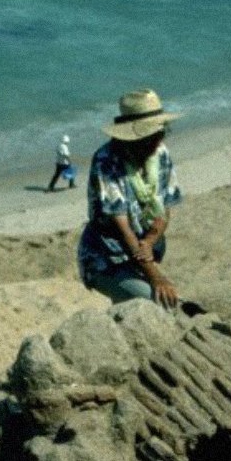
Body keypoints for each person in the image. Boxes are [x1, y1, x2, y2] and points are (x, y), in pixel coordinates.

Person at [76, 89, 182, 308]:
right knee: (153, 301)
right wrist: (156, 275)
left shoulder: (160, 153)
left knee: (153, 299)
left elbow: (165, 209)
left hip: (144, 253)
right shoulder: (107, 161)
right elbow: (123, 232)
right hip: (107, 257)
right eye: (150, 138)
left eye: (159, 135)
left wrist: (150, 241)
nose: (157, 142)